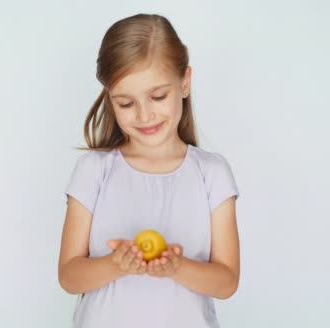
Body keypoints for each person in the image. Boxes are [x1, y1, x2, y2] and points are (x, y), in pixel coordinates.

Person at [58, 13, 241, 328]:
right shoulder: (94, 170)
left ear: (184, 82)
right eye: (126, 103)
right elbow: (69, 277)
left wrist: (176, 267)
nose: (144, 115)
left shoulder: (212, 173)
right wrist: (116, 264)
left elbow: (226, 282)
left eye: (158, 96)